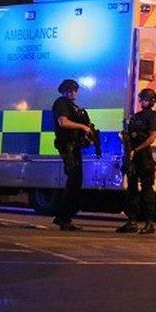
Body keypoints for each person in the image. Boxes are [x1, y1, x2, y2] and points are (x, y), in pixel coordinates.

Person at [117, 88, 156, 235]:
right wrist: (124, 138)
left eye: (143, 99)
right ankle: (132, 221)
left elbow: (152, 137)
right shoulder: (135, 117)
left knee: (147, 190)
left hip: (144, 157)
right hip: (132, 156)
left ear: (150, 101)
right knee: (131, 190)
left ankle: (149, 223)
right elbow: (129, 136)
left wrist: (136, 150)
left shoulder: (154, 116)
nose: (141, 101)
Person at [51, 78, 93, 231]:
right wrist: (83, 127)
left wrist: (88, 133)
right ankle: (63, 218)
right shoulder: (61, 103)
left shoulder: (74, 107)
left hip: (75, 147)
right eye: (70, 90)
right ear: (64, 91)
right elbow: (63, 122)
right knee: (74, 181)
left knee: (76, 182)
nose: (73, 92)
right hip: (67, 147)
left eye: (75, 90)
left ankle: (65, 217)